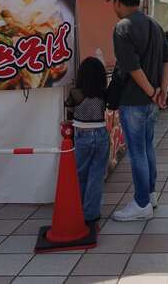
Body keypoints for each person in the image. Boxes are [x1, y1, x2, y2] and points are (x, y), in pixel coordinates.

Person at [109, 0, 168, 221]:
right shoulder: (154, 24)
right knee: (147, 148)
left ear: (117, 2)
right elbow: (167, 61)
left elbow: (132, 67)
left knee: (137, 152)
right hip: (151, 101)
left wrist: (151, 92)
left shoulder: (122, 27)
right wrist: (162, 91)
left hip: (134, 100)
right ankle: (151, 195)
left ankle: (141, 203)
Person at [66, 57, 110, 224]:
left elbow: (69, 108)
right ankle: (91, 213)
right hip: (101, 134)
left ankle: (79, 209)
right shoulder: (103, 93)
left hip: (82, 135)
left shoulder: (75, 93)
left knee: (81, 174)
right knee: (96, 175)